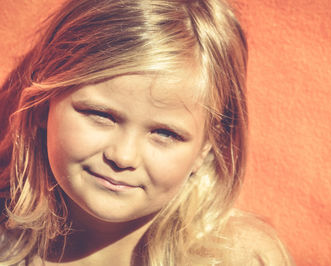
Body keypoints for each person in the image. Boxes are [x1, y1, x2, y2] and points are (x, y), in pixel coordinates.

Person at [0, 0, 293, 265]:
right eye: (101, 115)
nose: (123, 156)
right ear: (40, 105)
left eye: (165, 134)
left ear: (206, 146)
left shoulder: (238, 259)